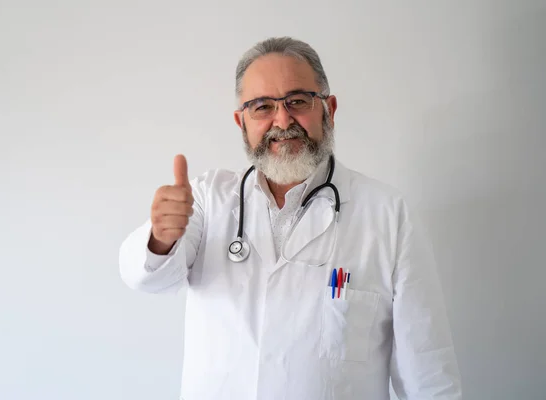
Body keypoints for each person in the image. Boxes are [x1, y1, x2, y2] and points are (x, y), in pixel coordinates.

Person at [119, 36, 462, 400]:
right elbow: (147, 279)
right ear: (241, 122)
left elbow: (428, 371)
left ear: (328, 108)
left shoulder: (387, 214)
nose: (282, 120)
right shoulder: (208, 198)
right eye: (262, 106)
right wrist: (161, 237)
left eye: (297, 101)